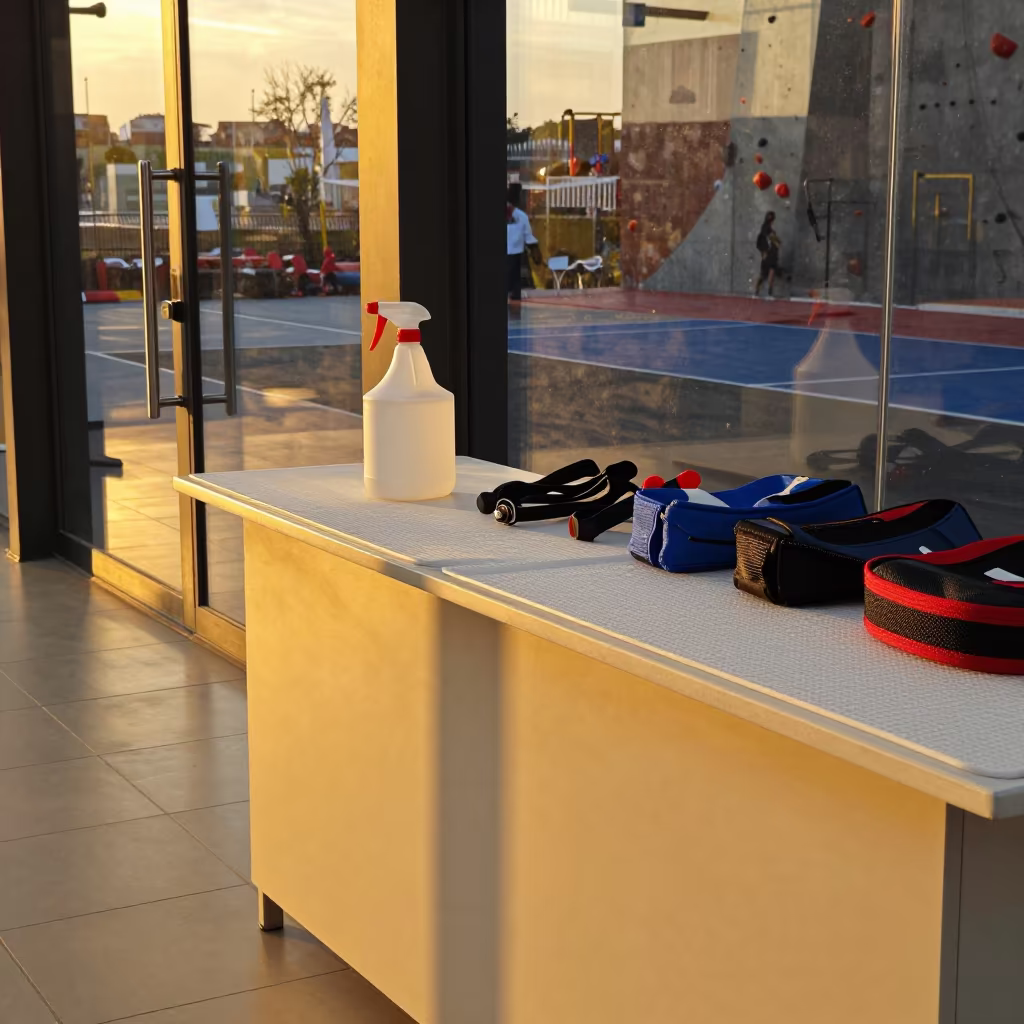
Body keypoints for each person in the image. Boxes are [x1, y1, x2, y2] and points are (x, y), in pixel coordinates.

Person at [506, 184, 540, 302]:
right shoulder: (522, 216)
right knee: (515, 287)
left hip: (513, 257)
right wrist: (536, 253)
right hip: (515, 258)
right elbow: (529, 238)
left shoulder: (521, 216)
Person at [755, 212, 781, 297]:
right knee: (765, 273)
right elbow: (771, 240)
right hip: (769, 254)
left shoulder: (767, 230)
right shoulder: (766, 230)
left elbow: (776, 242)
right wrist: (763, 251)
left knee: (770, 272)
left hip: (771, 254)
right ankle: (760, 290)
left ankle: (768, 290)